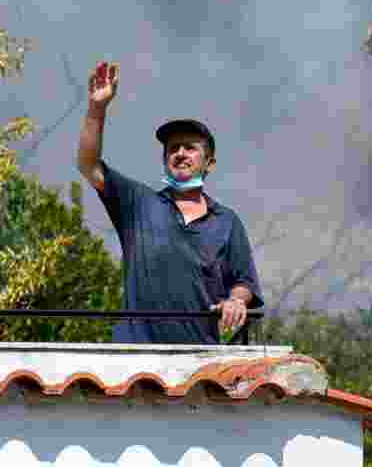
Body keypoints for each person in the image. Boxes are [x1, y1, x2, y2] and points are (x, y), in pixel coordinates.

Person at [76, 61, 264, 344]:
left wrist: (236, 301)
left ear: (209, 163)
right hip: (135, 359)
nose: (180, 153)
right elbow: (89, 166)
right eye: (173, 148)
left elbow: (244, 282)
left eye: (190, 147)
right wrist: (96, 108)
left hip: (199, 363)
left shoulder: (226, 221)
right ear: (164, 159)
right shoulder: (138, 204)